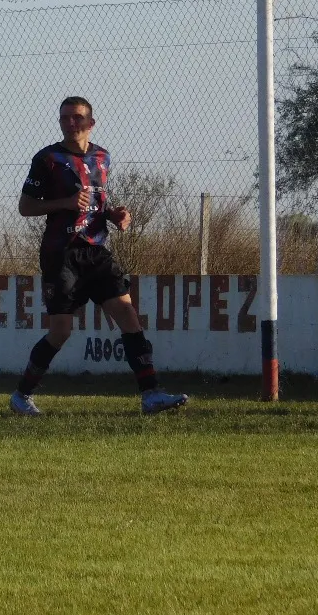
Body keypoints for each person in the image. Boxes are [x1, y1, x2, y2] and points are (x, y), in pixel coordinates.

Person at [10, 96, 188, 416]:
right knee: (61, 331)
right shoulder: (47, 158)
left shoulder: (103, 157)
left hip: (96, 251)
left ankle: (151, 394)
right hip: (61, 255)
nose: (70, 123)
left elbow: (95, 204)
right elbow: (26, 208)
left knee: (128, 316)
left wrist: (112, 215)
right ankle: (22, 395)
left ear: (91, 123)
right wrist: (64, 203)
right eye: (64, 118)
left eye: (77, 118)